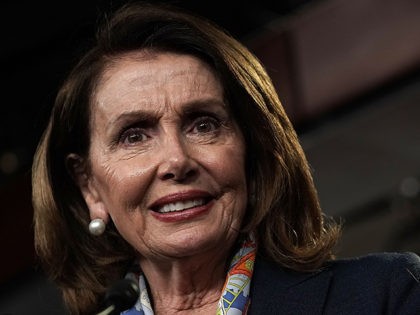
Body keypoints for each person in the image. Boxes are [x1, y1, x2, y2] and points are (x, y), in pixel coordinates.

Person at [32, 1, 420, 314]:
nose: (176, 160)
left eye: (203, 125)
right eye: (134, 135)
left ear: (251, 151)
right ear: (89, 187)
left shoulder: (386, 293)